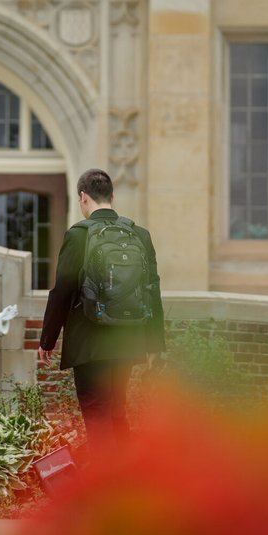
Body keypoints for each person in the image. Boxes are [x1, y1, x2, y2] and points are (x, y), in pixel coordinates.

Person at [37, 168, 165, 442]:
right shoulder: (140, 235)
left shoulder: (78, 235)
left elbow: (63, 291)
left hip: (89, 341)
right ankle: (125, 478)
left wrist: (48, 339)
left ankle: (106, 480)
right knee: (117, 410)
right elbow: (153, 289)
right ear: (112, 196)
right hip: (127, 339)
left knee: (96, 414)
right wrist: (154, 342)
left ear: (83, 197)